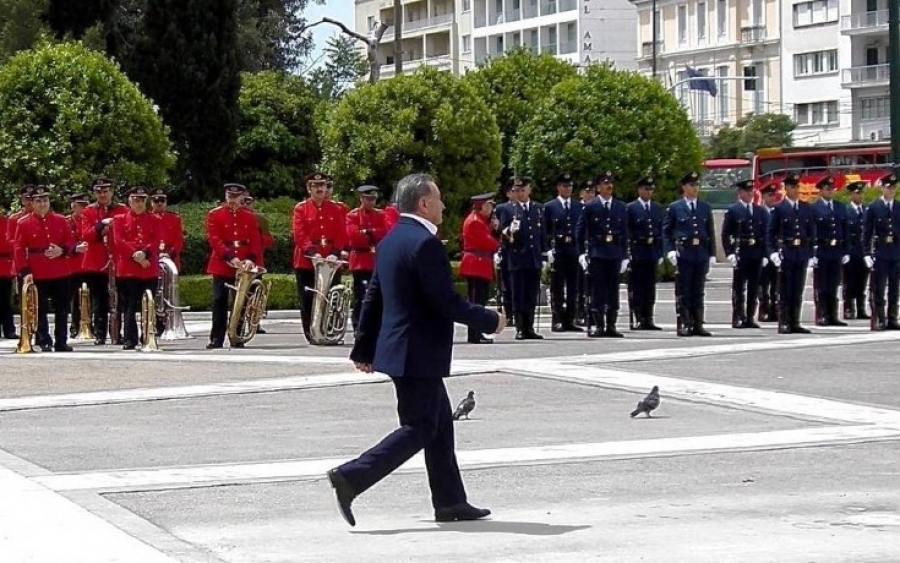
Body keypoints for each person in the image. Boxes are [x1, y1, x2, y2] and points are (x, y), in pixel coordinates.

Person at [328, 173, 505, 527]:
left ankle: (451, 502)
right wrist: (488, 319)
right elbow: (445, 301)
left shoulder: (392, 239)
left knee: (440, 426)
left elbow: (374, 297)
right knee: (420, 427)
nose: (442, 205)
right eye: (438, 199)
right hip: (417, 352)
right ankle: (352, 476)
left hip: (403, 351)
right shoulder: (425, 244)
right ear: (424, 203)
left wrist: (363, 347)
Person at [13, 186, 76, 352]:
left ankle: (61, 341)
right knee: (39, 308)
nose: (42, 204)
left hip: (61, 269)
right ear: (32, 203)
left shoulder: (61, 220)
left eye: (45, 200)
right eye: (38, 201)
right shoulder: (23, 223)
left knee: (62, 309)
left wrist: (62, 250)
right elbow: (19, 249)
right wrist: (25, 272)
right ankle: (44, 340)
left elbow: (71, 242)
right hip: (38, 271)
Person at [205, 183, 263, 349]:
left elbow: (255, 241)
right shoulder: (215, 215)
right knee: (219, 301)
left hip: (244, 264)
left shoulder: (250, 216)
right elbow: (215, 239)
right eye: (230, 197)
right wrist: (230, 258)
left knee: (241, 303)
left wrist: (251, 259)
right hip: (223, 264)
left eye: (236, 198)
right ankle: (216, 337)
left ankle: (237, 336)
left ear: (242, 197)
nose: (232, 201)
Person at [292, 172, 348, 343]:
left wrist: (335, 253)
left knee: (332, 299)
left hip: (330, 260)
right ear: (309, 189)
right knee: (308, 299)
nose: (319, 189)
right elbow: (299, 234)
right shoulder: (301, 208)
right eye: (315, 186)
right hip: (307, 261)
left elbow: (341, 233)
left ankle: (329, 330)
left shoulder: (336, 208)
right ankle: (312, 333)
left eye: (322, 185)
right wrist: (312, 253)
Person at [663, 171, 717, 337]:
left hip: (700, 252)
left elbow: (710, 232)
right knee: (684, 290)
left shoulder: (705, 207)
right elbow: (666, 231)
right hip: (684, 253)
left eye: (696, 185)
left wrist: (712, 253)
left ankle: (698, 323)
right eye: (691, 185)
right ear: (684, 187)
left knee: (698, 291)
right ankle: (684, 323)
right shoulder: (675, 207)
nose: (695, 188)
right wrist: (670, 250)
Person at [576, 171, 629, 337]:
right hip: (597, 253)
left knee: (613, 290)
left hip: (614, 253)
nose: (609, 186)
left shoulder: (620, 207)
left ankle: (611, 325)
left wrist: (625, 256)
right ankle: (599, 325)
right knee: (597, 290)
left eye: (610, 183)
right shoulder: (590, 207)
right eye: (605, 183)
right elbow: (580, 231)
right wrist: (581, 253)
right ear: (598, 188)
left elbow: (625, 233)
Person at [111, 187, 163, 350]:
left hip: (148, 268)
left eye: (142, 200)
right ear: (129, 201)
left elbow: (156, 240)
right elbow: (119, 241)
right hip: (128, 269)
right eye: (136, 200)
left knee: (149, 304)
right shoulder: (119, 219)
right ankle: (129, 338)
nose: (139, 204)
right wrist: (136, 255)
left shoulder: (154, 219)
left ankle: (147, 335)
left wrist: (145, 253)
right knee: (129, 306)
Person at [765, 173, 815, 334]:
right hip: (786, 253)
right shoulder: (779, 209)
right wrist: (772, 253)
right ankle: (784, 321)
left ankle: (795, 321)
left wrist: (812, 253)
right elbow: (770, 233)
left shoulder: (806, 208)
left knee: (798, 289)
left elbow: (811, 233)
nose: (795, 190)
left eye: (797, 187)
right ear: (786, 188)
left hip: (801, 253)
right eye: (792, 187)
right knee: (785, 290)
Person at [499, 177, 547, 340]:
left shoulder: (537, 208)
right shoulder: (508, 209)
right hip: (517, 257)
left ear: (529, 190)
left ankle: (530, 327)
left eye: (522, 190)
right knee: (519, 294)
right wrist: (509, 230)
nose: (519, 193)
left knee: (531, 294)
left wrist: (545, 253)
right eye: (517, 190)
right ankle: (520, 327)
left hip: (533, 258)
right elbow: (501, 232)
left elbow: (542, 234)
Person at [80, 177, 127, 345]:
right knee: (99, 300)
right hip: (96, 261)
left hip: (117, 259)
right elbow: (86, 235)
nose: (102, 195)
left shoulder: (122, 209)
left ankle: (116, 332)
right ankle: (100, 333)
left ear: (112, 192)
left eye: (105, 191)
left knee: (118, 299)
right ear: (94, 193)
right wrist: (100, 225)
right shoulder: (88, 211)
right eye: (99, 192)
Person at [721, 179, 766, 329]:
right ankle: (738, 317)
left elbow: (765, 233)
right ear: (740, 193)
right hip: (742, 252)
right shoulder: (733, 210)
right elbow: (725, 234)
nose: (750, 194)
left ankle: (750, 316)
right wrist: (729, 253)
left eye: (751, 191)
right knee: (739, 287)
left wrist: (765, 254)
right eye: (747, 191)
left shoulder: (760, 211)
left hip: (757, 253)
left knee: (754, 287)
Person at [346, 185, 388, 333]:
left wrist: (368, 232)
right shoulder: (353, 216)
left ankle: (376, 326)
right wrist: (372, 235)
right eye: (368, 199)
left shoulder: (381, 215)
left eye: (373, 199)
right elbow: (355, 237)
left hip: (376, 260)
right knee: (361, 297)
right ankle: (359, 326)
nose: (371, 202)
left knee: (379, 297)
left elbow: (386, 233)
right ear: (361, 198)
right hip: (361, 261)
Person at [543, 172, 583, 332]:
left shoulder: (578, 206)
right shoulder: (550, 206)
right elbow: (545, 231)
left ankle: (570, 319)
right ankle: (557, 319)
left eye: (570, 186)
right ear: (559, 187)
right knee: (557, 287)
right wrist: (547, 250)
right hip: (558, 250)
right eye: (565, 186)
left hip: (573, 250)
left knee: (574, 287)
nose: (568, 189)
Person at [460, 192, 501, 343]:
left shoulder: (481, 220)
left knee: (480, 300)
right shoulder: (475, 221)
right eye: (490, 205)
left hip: (480, 263)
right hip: (476, 264)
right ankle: (475, 333)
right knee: (477, 301)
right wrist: (499, 235)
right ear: (483, 206)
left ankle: (476, 332)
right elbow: (490, 243)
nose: (491, 209)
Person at [625, 175, 664, 330]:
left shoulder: (656, 208)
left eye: (651, 189)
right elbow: (627, 231)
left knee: (650, 288)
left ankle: (648, 317)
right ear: (640, 190)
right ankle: (638, 316)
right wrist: (627, 253)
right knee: (637, 287)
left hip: (651, 252)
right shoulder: (631, 208)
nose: (649, 192)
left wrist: (660, 252)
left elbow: (659, 231)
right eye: (646, 189)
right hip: (637, 252)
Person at [862, 172, 900, 330]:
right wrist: (866, 254)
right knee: (878, 287)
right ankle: (880, 318)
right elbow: (867, 232)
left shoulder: (898, 207)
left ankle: (892, 318)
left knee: (894, 288)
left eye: (893, 187)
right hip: (880, 252)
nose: (891, 190)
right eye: (888, 187)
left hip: (896, 252)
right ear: (882, 188)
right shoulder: (873, 207)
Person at [811, 176, 849, 326]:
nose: (830, 191)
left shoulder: (840, 207)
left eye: (832, 189)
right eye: (827, 189)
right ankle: (822, 315)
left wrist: (846, 250)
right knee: (822, 285)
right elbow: (812, 231)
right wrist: (812, 253)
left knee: (834, 284)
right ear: (820, 191)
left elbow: (844, 229)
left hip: (836, 250)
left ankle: (833, 315)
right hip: (822, 249)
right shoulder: (814, 208)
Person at [65, 193, 91, 338]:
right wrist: (76, 247)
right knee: (75, 298)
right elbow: (66, 240)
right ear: (73, 206)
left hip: (89, 263)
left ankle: (89, 323)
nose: (83, 208)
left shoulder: (89, 220)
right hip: (74, 264)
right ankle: (75, 325)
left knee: (90, 296)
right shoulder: (67, 221)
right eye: (80, 205)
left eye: (85, 205)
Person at [843, 181, 870, 320]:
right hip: (851, 251)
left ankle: (860, 308)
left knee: (862, 281)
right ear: (851, 194)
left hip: (863, 252)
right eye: (857, 193)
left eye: (861, 193)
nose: (860, 196)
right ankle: (848, 308)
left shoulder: (867, 211)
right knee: (849, 281)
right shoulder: (846, 211)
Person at [757, 182, 780, 322]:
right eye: (769, 195)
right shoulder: (759, 212)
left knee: (776, 285)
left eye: (774, 195)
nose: (772, 198)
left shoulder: (778, 211)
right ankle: (764, 309)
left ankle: (774, 310)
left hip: (776, 254)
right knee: (762, 284)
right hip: (763, 255)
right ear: (763, 196)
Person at [0, 204, 17, 339]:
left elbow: (11, 243)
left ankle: (9, 329)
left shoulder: (6, 222)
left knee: (5, 300)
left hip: (4, 266)